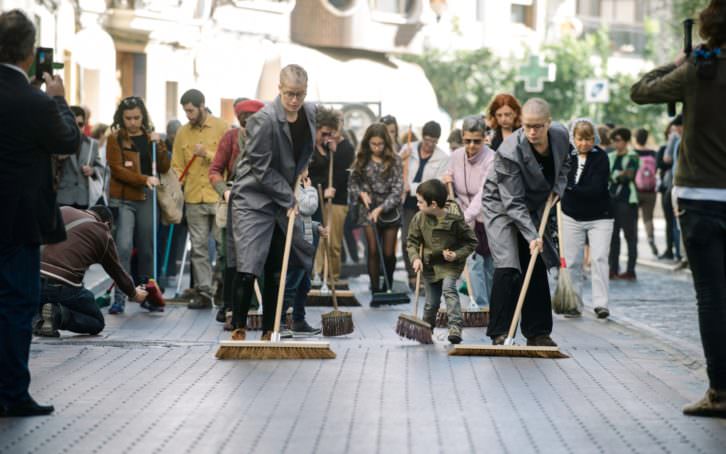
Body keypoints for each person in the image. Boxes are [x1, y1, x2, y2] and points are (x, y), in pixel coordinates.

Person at [630, 0, 726, 417]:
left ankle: (720, 392)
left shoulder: (698, 70)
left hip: (700, 198)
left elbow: (640, 91)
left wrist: (677, 63)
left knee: (712, 295)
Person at [0, 9, 80, 417]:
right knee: (17, 304)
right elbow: (68, 139)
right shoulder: (34, 101)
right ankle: (12, 392)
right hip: (18, 221)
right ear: (31, 54)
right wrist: (60, 99)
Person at [229, 64, 316, 340]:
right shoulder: (264, 120)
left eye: (300, 95)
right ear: (279, 89)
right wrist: (288, 196)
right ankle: (239, 328)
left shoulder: (310, 113)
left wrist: (301, 168)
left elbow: (301, 149)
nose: (294, 101)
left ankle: (270, 330)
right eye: (290, 94)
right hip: (254, 196)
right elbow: (260, 167)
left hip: (282, 195)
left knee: (277, 266)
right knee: (250, 263)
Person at [482, 98, 570, 346]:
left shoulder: (561, 136)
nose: (531, 132)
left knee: (536, 262)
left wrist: (558, 189)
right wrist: (533, 236)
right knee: (510, 264)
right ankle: (499, 331)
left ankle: (538, 332)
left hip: (534, 203)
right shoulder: (509, 151)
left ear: (548, 124)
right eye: (527, 126)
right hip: (500, 204)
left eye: (538, 126)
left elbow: (566, 164)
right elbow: (512, 202)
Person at [35, 206, 149, 337]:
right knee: (96, 322)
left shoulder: (63, 210)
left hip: (32, 279)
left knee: (37, 299)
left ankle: (37, 318)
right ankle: (57, 315)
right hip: (63, 287)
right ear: (107, 224)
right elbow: (117, 272)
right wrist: (134, 293)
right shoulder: (103, 232)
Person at [106, 96, 170, 314]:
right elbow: (117, 170)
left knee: (147, 248)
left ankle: (148, 295)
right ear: (121, 118)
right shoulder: (115, 138)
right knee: (123, 246)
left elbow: (163, 165)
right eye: (128, 118)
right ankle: (120, 297)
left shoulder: (150, 137)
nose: (132, 122)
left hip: (146, 198)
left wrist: (159, 144)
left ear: (143, 116)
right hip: (124, 199)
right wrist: (143, 179)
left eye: (136, 117)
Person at [209, 98, 264, 326]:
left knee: (256, 256)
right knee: (229, 257)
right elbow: (215, 171)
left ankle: (252, 306)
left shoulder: (267, 140)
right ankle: (229, 305)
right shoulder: (231, 138)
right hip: (234, 202)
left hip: (260, 205)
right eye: (245, 120)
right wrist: (224, 191)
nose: (248, 125)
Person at [172, 89, 228, 309]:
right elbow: (177, 163)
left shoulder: (222, 127)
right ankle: (203, 292)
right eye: (185, 111)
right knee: (198, 248)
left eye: (191, 110)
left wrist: (208, 154)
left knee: (223, 246)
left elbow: (229, 161)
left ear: (202, 105)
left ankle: (221, 287)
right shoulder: (182, 133)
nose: (188, 115)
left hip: (217, 196)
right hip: (194, 197)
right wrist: (175, 180)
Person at [407, 179, 478, 344]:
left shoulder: (455, 218)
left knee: (449, 290)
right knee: (431, 303)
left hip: (450, 264)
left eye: (420, 202)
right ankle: (426, 328)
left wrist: (456, 254)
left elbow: (471, 241)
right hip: (430, 265)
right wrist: (415, 258)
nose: (417, 204)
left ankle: (455, 328)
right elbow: (412, 242)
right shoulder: (419, 218)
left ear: (433, 205)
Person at [561, 119, 614, 318]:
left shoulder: (601, 157)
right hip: (571, 215)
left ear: (595, 138)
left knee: (599, 258)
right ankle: (574, 303)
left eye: (589, 139)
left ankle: (601, 304)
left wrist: (570, 189)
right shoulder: (567, 156)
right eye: (580, 139)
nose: (584, 143)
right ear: (573, 139)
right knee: (573, 261)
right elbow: (560, 179)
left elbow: (596, 188)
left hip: (600, 216)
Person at [442, 116, 495, 308]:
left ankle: (493, 305)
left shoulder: (491, 158)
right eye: (467, 141)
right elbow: (449, 178)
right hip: (465, 215)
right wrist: (446, 179)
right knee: (473, 261)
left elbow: (484, 193)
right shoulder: (456, 156)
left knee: (489, 265)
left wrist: (464, 217)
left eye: (477, 141)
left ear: (484, 138)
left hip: (487, 216)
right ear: (463, 137)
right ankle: (479, 305)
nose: (471, 146)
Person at [348, 123, 404, 297]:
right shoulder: (361, 159)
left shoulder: (395, 160)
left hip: (388, 209)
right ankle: (375, 288)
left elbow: (397, 190)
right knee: (372, 250)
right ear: (367, 142)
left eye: (380, 144)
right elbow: (352, 184)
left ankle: (388, 285)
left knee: (388, 253)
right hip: (367, 208)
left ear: (386, 143)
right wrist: (361, 194)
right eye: (373, 144)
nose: (377, 148)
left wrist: (380, 208)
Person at [400, 121, 450, 290]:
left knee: (426, 240)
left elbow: (434, 184)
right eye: (427, 140)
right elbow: (396, 170)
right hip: (407, 202)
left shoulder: (443, 158)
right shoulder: (408, 148)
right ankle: (412, 275)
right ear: (422, 137)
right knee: (408, 238)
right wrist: (401, 159)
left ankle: (425, 277)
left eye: (434, 141)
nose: (430, 145)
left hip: (428, 203)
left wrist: (412, 187)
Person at [309, 106, 355, 282]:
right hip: (319, 197)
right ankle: (318, 275)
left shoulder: (343, 148)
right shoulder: (318, 146)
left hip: (336, 199)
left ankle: (332, 277)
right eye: (327, 132)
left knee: (333, 242)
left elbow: (341, 173)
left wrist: (331, 188)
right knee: (319, 240)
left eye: (333, 131)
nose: (330, 135)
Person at [281, 170, 326, 337]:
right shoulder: (295, 188)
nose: (308, 169)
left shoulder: (299, 187)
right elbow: (309, 207)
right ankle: (279, 320)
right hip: (296, 244)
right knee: (291, 284)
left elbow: (303, 218)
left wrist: (316, 227)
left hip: (304, 242)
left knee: (303, 284)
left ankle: (299, 320)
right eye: (306, 165)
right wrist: (311, 190)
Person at [54, 106, 103, 209]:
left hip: (84, 198)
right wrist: (58, 159)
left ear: (85, 125)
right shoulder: (58, 143)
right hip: (63, 197)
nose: (76, 128)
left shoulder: (92, 144)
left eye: (80, 125)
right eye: (72, 124)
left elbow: (102, 168)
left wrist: (92, 171)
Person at [607, 127, 640, 281]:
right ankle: (613, 269)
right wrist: (617, 175)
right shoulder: (611, 156)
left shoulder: (633, 156)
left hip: (628, 201)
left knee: (630, 236)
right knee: (613, 237)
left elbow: (628, 176)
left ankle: (630, 270)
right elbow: (606, 175)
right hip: (612, 201)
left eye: (618, 140)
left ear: (626, 141)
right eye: (614, 140)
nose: (615, 143)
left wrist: (615, 176)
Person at [656, 117, 682, 260]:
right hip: (667, 187)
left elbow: (666, 162)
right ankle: (670, 249)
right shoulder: (664, 148)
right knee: (670, 221)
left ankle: (678, 251)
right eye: (671, 131)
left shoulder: (676, 143)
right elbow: (662, 164)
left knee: (676, 222)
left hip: (674, 186)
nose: (674, 132)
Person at [633, 128, 659, 256]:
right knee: (648, 218)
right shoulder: (653, 154)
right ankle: (650, 239)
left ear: (635, 138)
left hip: (635, 191)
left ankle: (633, 244)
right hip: (650, 191)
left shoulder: (632, 153)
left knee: (633, 218)